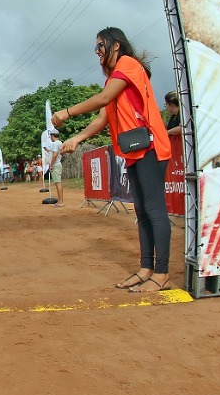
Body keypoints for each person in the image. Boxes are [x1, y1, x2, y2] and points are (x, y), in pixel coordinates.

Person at [53, 27, 172, 293]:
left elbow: (103, 100)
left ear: (115, 45)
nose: (97, 52)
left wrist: (67, 112)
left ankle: (162, 273)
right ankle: (146, 269)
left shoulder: (128, 65)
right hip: (133, 150)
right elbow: (103, 117)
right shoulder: (114, 80)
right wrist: (77, 138)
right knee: (141, 212)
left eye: (100, 46)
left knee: (154, 210)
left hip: (150, 146)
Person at [48, 129, 64, 206]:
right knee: (58, 182)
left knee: (58, 183)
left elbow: (54, 155)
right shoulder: (60, 143)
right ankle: (60, 200)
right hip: (58, 164)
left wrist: (51, 165)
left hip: (55, 165)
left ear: (52, 136)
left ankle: (61, 202)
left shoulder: (55, 144)